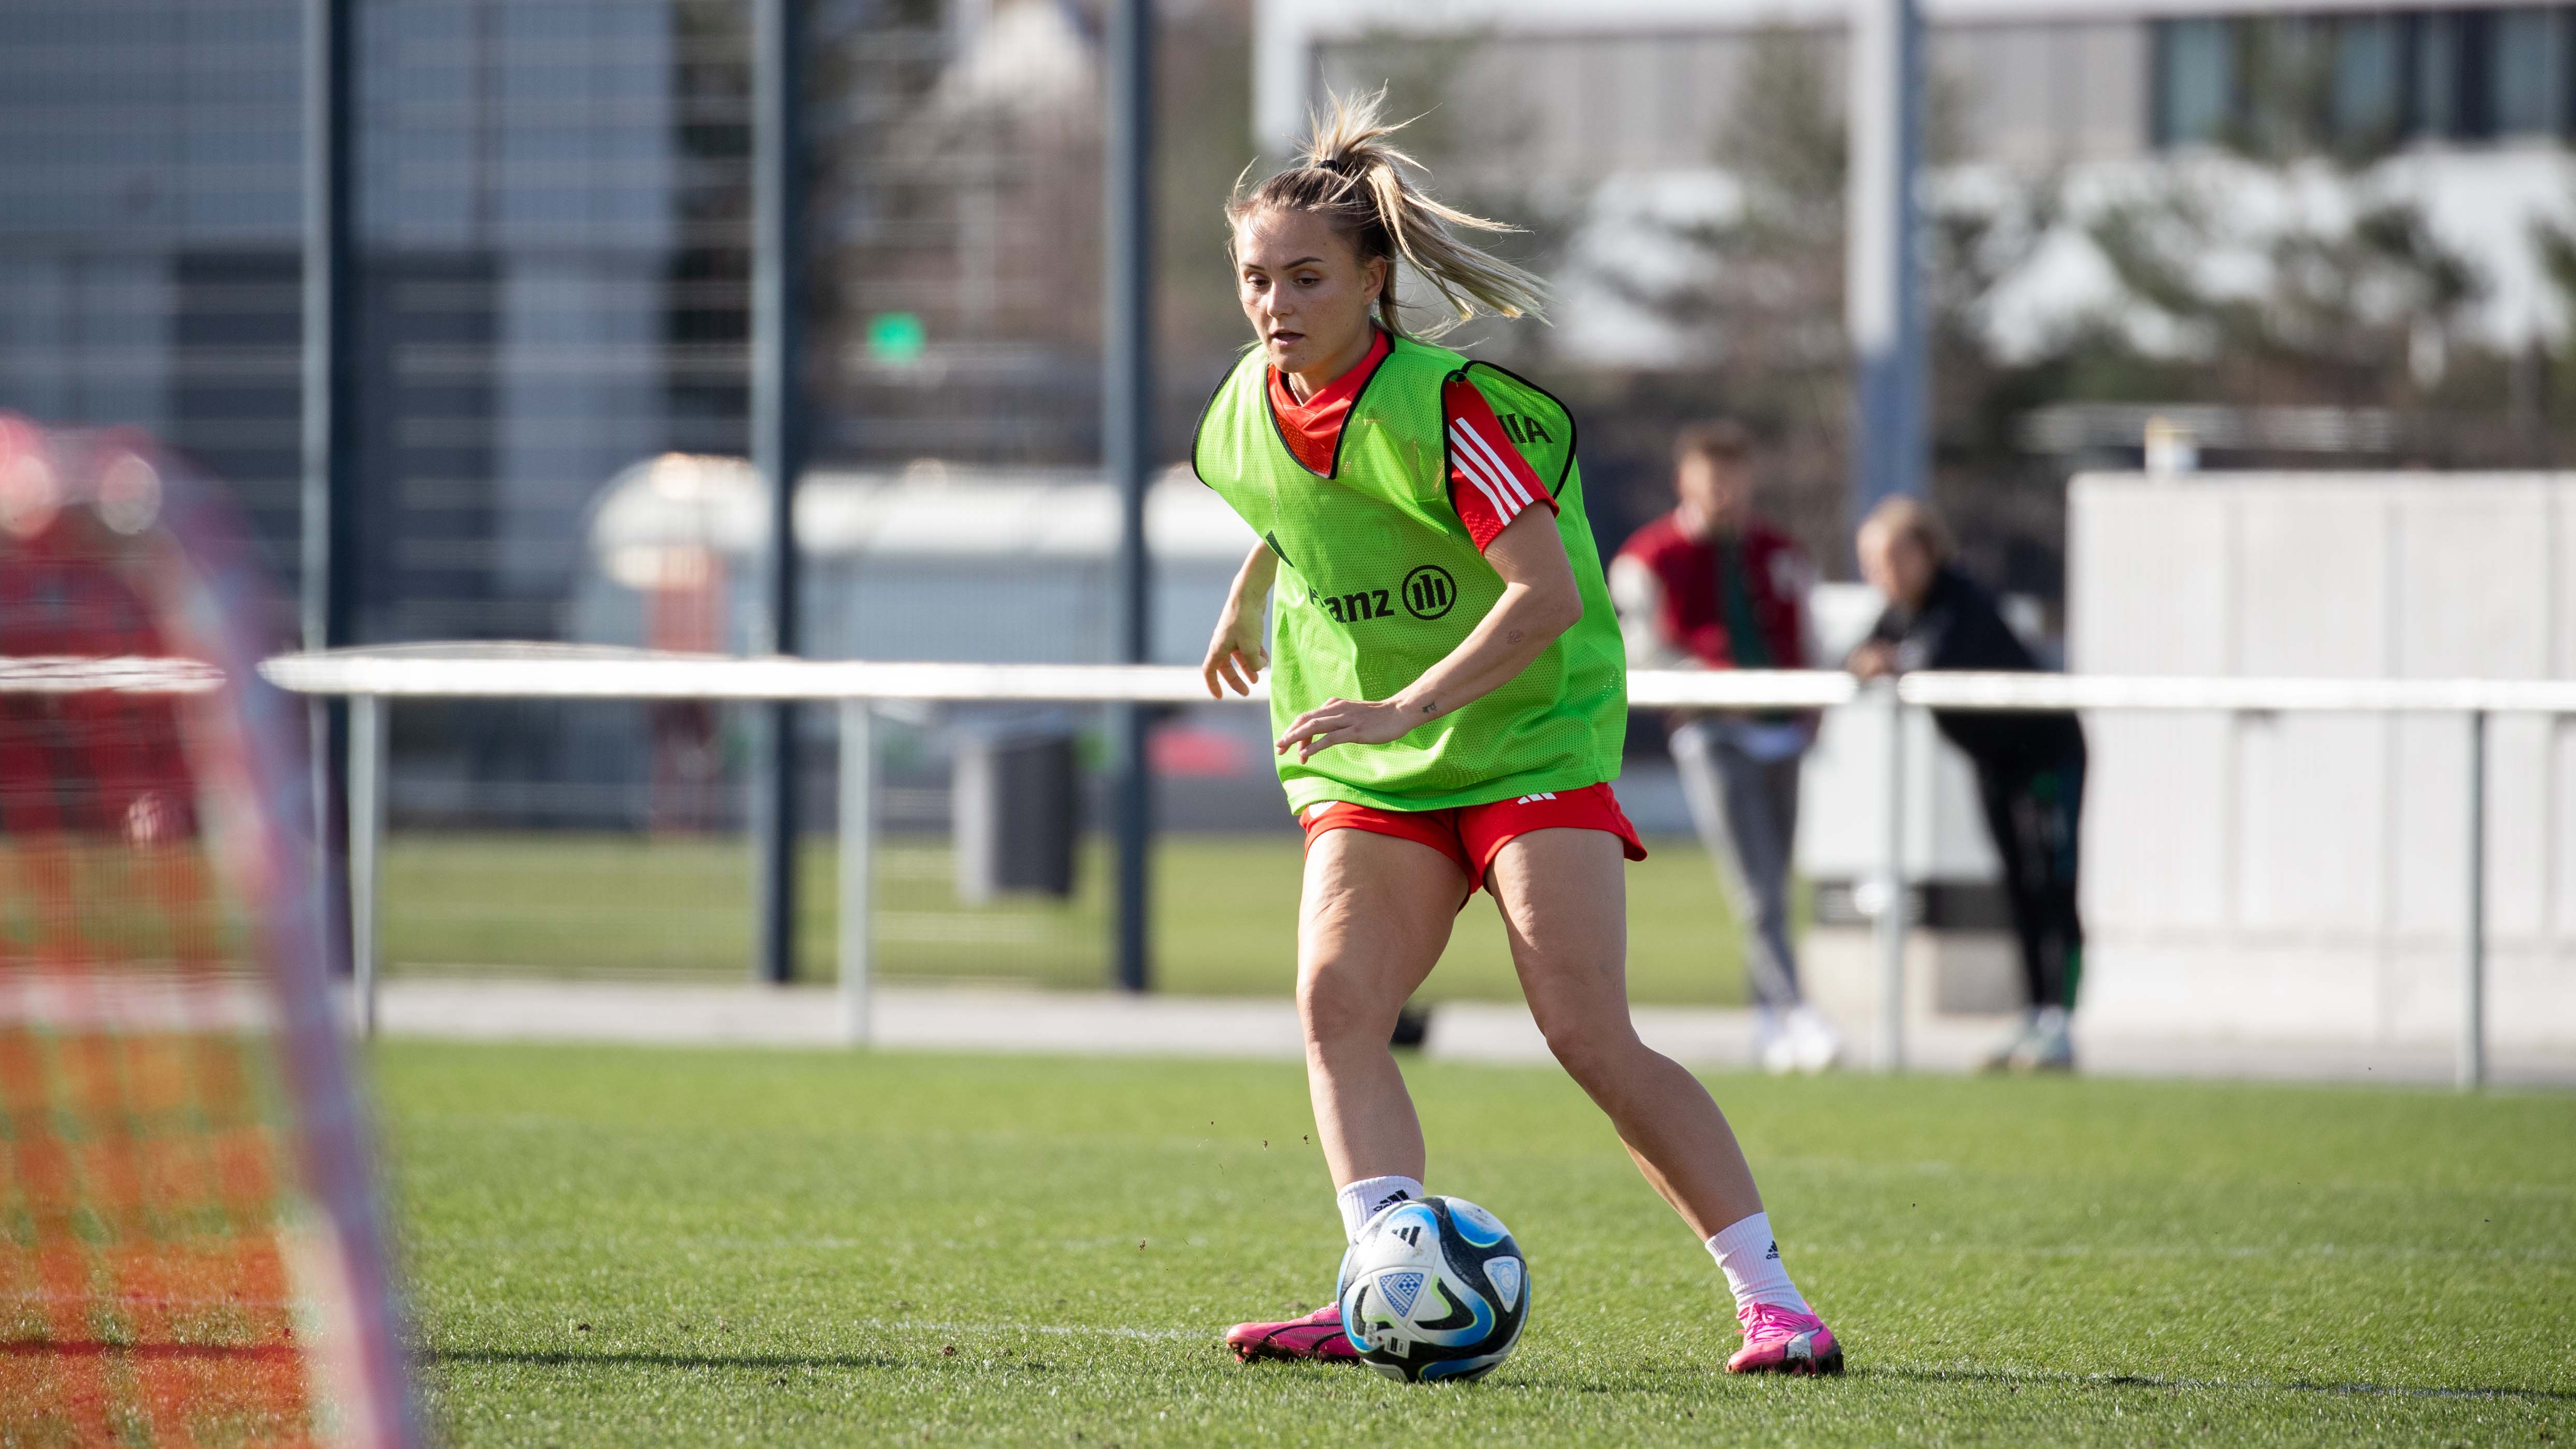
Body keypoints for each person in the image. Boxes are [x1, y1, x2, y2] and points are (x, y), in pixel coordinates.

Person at [1197, 92, 1841, 1376]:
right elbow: (1297, 506)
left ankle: (1774, 1300)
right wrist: (1245, 598)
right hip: (1376, 763)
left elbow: (1542, 596)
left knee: (1586, 1032)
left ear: (1374, 282)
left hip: (1526, 742)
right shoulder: (1246, 407)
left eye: (1305, 277)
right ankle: (1382, 1276)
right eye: (1256, 279)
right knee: (1334, 1006)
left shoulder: (1449, 408)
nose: (1275, 302)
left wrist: (1406, 702)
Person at [1609, 422, 1841, 1074]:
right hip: (1713, 734)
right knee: (1756, 886)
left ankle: (1769, 1022)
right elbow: (1643, 648)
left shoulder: (1778, 549)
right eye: (1711, 478)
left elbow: (1808, 629)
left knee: (1773, 879)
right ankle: (1797, 1010)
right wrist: (1713, 689)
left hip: (1782, 732)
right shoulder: (1649, 557)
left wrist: (1813, 701)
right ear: (1686, 480)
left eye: (1734, 477)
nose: (1723, 492)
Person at [1848, 497, 2085, 1072]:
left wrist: (1893, 662)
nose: (1884, 575)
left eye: (1894, 558)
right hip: (1993, 763)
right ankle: (2033, 1013)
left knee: (2051, 880)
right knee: (2015, 885)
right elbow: (1855, 657)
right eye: (1873, 563)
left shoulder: (1963, 600)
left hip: (2045, 753)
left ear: (1926, 552)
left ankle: (2061, 1021)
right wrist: (1867, 661)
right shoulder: (1897, 612)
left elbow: (1937, 657)